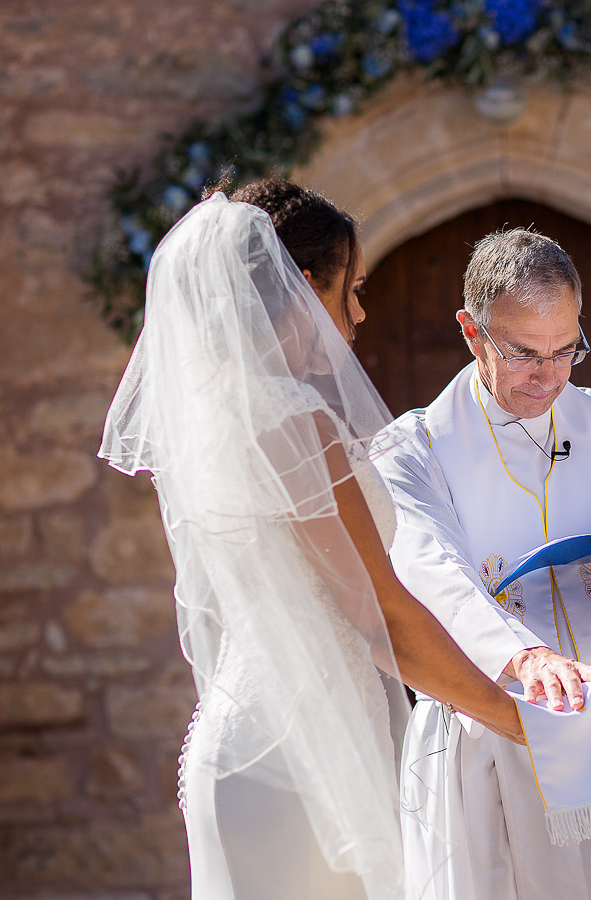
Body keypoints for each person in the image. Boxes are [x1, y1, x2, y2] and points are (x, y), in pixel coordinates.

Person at [99, 179, 524, 900]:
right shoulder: (294, 421)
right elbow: (379, 614)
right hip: (299, 767)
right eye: (350, 290)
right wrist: (520, 723)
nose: (358, 314)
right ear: (303, 288)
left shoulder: (217, 416)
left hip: (245, 742)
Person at [374, 228, 591, 900]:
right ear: (471, 332)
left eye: (566, 351)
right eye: (523, 354)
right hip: (498, 733)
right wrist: (526, 657)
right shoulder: (412, 449)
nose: (549, 377)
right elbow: (432, 572)